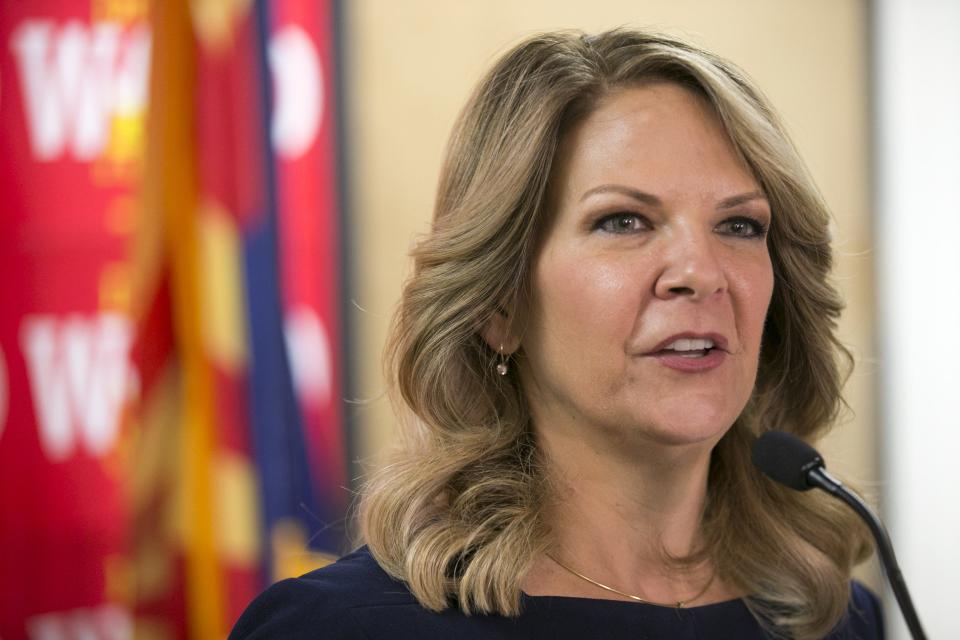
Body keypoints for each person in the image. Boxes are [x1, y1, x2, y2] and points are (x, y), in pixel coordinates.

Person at [231, 28, 882, 639]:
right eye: (624, 221)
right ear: (500, 305)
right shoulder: (335, 628)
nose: (700, 273)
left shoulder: (835, 617)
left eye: (739, 226)